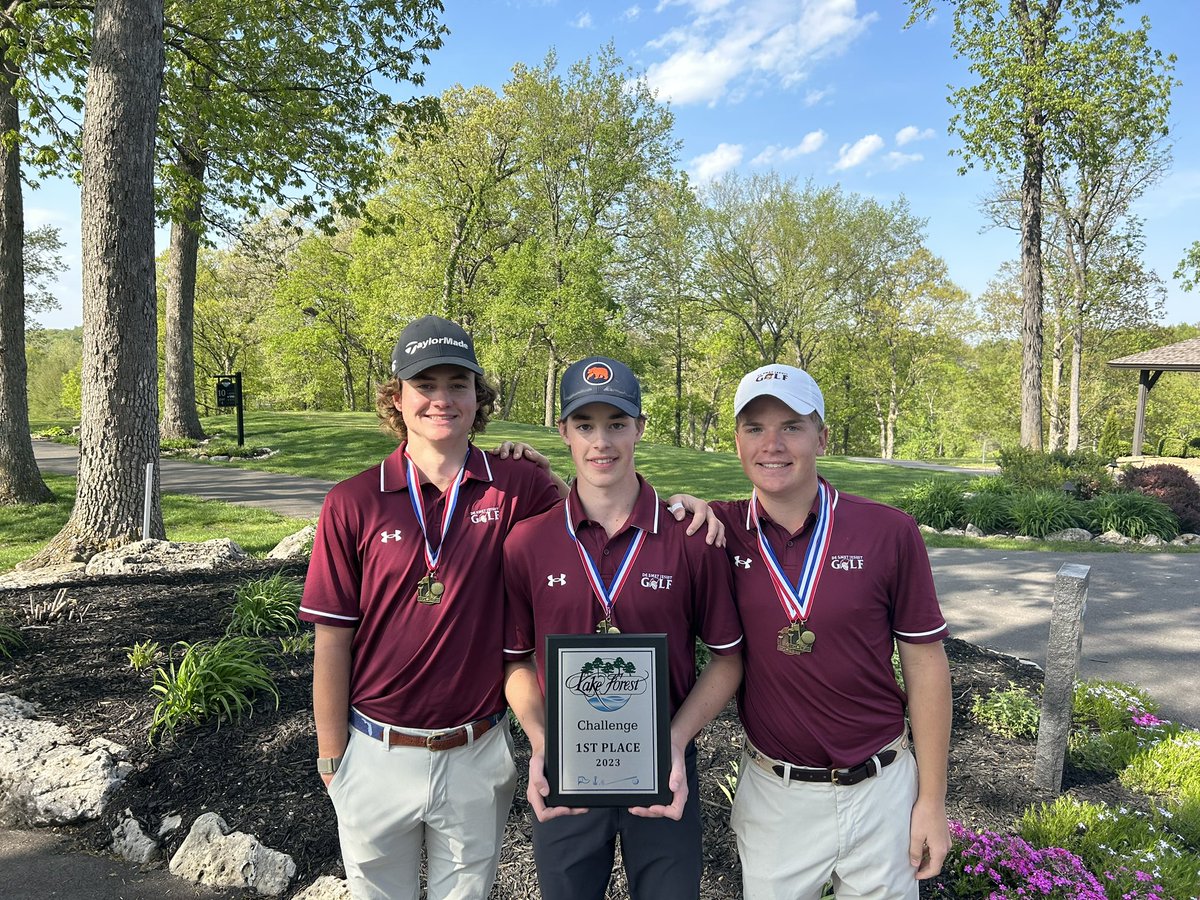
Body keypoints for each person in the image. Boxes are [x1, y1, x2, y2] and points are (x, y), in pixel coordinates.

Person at [299, 317, 718, 900]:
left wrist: (682, 506)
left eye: (458, 384)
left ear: (478, 397)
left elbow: (601, 501)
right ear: (397, 397)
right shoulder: (353, 501)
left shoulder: (518, 486)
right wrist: (331, 757)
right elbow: (332, 637)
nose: (442, 399)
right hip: (376, 749)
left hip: (476, 748)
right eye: (425, 385)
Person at [502, 355, 744, 900]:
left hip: (664, 771)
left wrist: (676, 744)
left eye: (616, 423)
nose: (601, 441)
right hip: (565, 774)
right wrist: (542, 743)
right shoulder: (528, 543)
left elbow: (728, 658)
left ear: (640, 427)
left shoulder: (689, 539)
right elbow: (515, 661)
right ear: (563, 430)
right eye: (585, 425)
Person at [711, 364, 952, 900]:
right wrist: (542, 475)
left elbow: (926, 662)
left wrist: (930, 802)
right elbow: (614, 511)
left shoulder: (888, 531)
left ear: (821, 437)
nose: (772, 444)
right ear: (737, 441)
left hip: (883, 791)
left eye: (791, 426)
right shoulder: (715, 531)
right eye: (754, 428)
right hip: (777, 797)